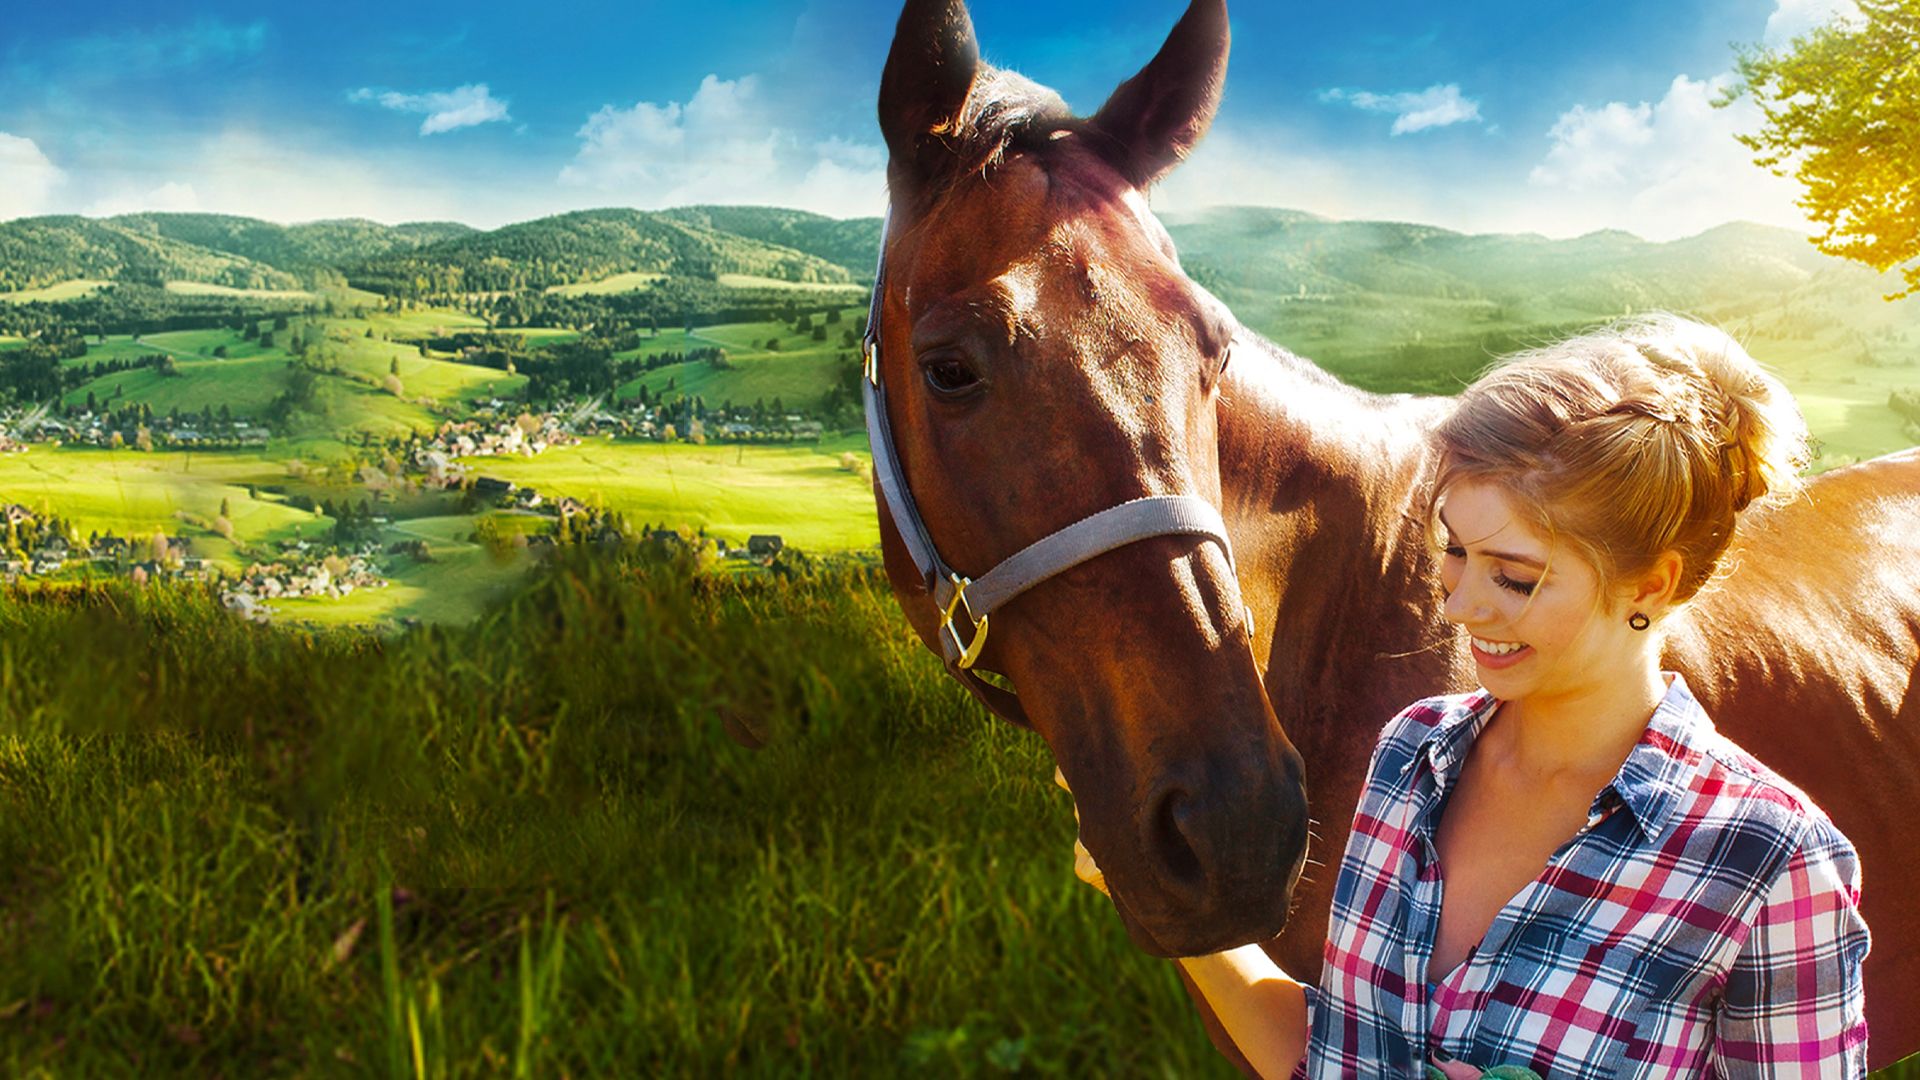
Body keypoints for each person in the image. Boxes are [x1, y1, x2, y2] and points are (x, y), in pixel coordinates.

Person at [1064, 314, 1871, 1078]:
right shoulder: (1410, 756)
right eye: (1455, 550)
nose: (1459, 606)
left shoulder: (1771, 861)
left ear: (1651, 583)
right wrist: (1142, 876)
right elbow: (1340, 1056)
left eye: (1514, 577)